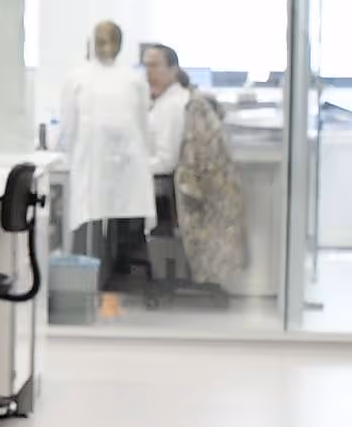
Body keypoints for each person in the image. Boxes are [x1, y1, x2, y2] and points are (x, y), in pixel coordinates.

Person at [139, 41, 245, 292]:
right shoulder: (167, 100)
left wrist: (131, 167)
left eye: (154, 65)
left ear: (173, 70)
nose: (148, 72)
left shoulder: (173, 105)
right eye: (145, 66)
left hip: (173, 189)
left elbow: (166, 161)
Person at [58, 20, 154, 293]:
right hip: (90, 164)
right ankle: (81, 290)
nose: (105, 46)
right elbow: (68, 124)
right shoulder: (77, 77)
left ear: (120, 45)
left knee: (122, 231)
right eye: (100, 40)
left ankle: (117, 289)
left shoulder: (134, 79)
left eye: (111, 40)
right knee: (87, 229)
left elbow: (142, 125)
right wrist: (65, 152)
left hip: (127, 167)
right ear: (91, 42)